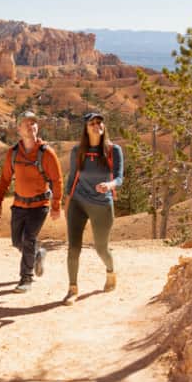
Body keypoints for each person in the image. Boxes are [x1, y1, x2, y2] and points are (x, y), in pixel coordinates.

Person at [0, 111, 63, 292]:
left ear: (37, 127)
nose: (30, 126)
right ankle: (38, 254)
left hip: (39, 206)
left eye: (33, 123)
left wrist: (56, 205)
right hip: (19, 205)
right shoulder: (13, 153)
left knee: (29, 239)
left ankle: (26, 278)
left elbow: (57, 180)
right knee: (18, 242)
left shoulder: (47, 153)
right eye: (26, 124)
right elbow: (5, 179)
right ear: (19, 129)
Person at [61, 111, 124, 305]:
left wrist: (109, 185)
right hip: (78, 203)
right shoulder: (77, 151)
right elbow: (72, 178)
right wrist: (66, 202)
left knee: (101, 248)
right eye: (92, 123)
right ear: (86, 129)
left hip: (102, 205)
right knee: (73, 248)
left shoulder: (114, 151)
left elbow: (119, 178)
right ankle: (72, 289)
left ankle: (111, 272)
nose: (97, 125)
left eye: (99, 122)